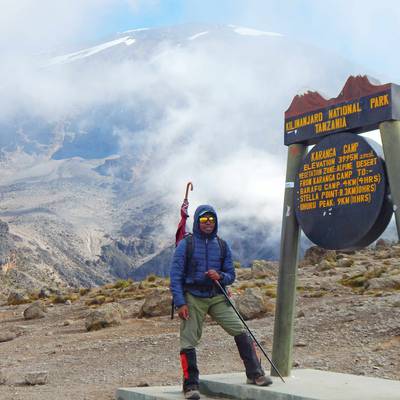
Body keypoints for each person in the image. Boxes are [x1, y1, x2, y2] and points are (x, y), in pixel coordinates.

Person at [170, 204, 272, 400]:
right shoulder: (186, 245)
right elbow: (175, 276)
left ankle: (255, 374)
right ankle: (190, 385)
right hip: (193, 297)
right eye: (204, 219)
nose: (208, 223)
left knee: (240, 329)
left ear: (215, 221)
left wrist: (220, 276)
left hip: (217, 295)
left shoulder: (222, 245)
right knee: (189, 340)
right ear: (197, 221)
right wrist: (180, 303)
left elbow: (231, 275)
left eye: (211, 219)